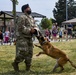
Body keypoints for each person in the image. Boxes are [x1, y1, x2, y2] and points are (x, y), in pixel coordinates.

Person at [12, 4, 38, 72]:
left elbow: (35, 26)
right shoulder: (22, 17)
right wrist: (30, 30)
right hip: (22, 38)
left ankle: (28, 69)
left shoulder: (31, 18)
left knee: (30, 53)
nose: (30, 9)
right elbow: (21, 27)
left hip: (29, 38)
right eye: (28, 8)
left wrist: (35, 30)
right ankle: (15, 63)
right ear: (25, 9)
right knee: (23, 52)